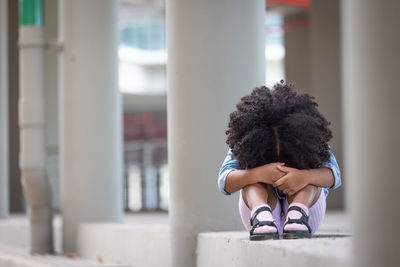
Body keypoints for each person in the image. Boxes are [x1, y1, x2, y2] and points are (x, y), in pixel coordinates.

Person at [218, 82, 341, 240]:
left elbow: (334, 176)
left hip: (306, 219)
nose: (280, 165)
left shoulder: (314, 145)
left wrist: (305, 177)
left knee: (312, 179)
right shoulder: (243, 144)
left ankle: (297, 213)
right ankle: (262, 215)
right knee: (250, 180)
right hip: (259, 220)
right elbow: (224, 181)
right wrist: (257, 174)